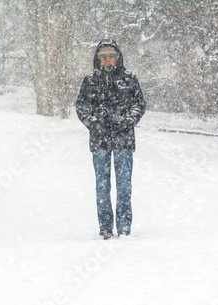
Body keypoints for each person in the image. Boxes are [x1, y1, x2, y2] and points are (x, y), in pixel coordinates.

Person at [75, 38, 146, 240]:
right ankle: (105, 226)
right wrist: (93, 123)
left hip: (124, 139)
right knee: (102, 186)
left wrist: (128, 120)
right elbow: (81, 106)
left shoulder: (129, 79)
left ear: (118, 58)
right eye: (103, 56)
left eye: (111, 56)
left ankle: (124, 227)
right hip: (100, 141)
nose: (107, 60)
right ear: (98, 59)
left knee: (124, 185)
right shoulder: (90, 80)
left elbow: (139, 104)